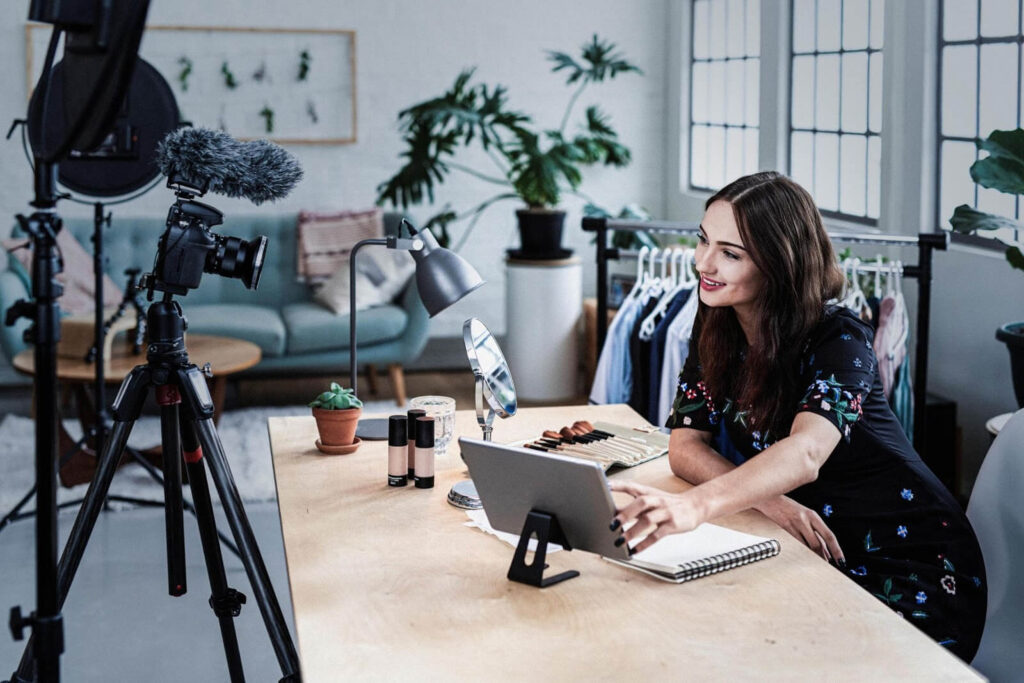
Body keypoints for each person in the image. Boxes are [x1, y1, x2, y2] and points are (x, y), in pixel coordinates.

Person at [610, 171, 986, 661]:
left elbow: (806, 452)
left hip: (911, 564)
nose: (704, 262)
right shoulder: (717, 322)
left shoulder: (840, 338)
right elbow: (684, 447)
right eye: (703, 240)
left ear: (779, 263)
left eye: (731, 253)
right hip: (808, 546)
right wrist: (770, 501)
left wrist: (696, 507)